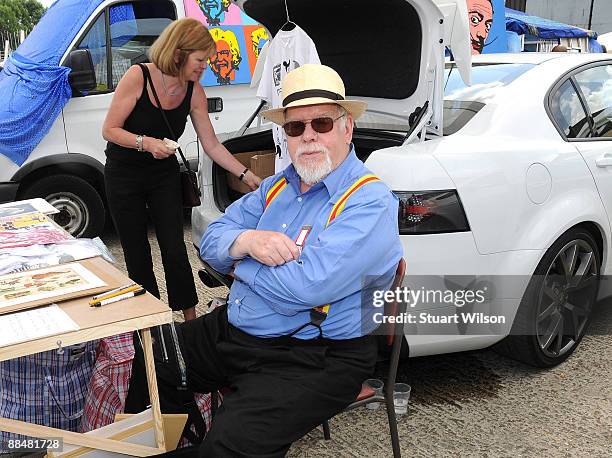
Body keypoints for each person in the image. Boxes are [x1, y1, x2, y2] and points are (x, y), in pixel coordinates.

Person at [126, 63, 403, 456]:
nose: (308, 136)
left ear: (347, 128)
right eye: (295, 127)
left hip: (312, 355)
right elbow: (209, 240)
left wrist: (239, 261)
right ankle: (178, 438)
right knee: (153, 354)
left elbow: (307, 287)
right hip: (238, 329)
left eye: (321, 123)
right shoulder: (276, 186)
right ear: (285, 135)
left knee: (229, 446)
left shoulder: (368, 201)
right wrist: (248, 240)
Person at [102, 18, 261, 321]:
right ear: (178, 53)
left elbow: (212, 145)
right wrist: (146, 143)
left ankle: (189, 323)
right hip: (124, 175)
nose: (205, 67)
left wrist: (245, 175)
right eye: (200, 60)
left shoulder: (194, 92)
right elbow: (109, 129)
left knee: (174, 250)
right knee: (137, 256)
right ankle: (152, 326)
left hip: (163, 175)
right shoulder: (139, 77)